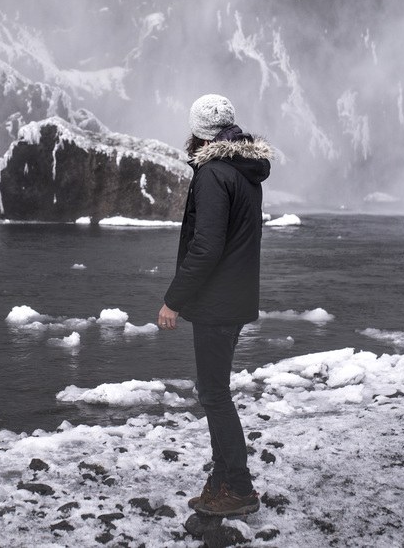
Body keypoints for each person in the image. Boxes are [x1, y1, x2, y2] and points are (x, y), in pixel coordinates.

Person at [157, 93, 273, 517]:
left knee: (214, 394)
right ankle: (222, 479)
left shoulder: (212, 175)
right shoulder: (245, 172)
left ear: (198, 133)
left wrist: (173, 300)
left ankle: (238, 488)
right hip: (235, 296)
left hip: (216, 302)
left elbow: (206, 247)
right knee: (215, 391)